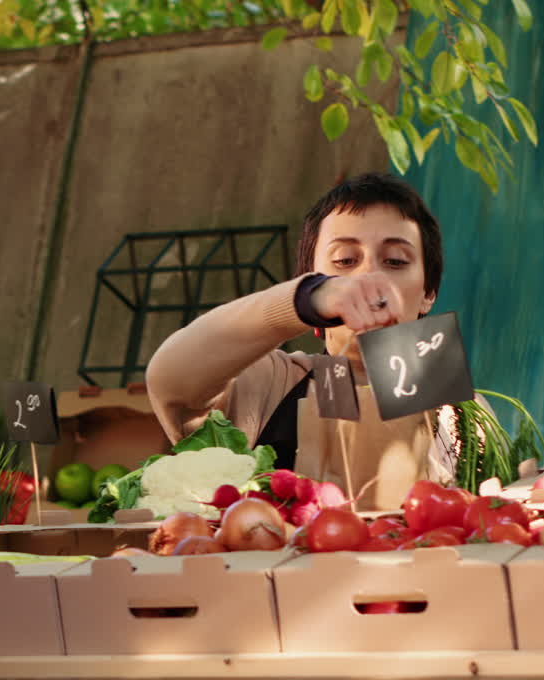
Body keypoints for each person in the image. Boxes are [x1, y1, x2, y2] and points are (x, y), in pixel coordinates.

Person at [145, 173, 461, 510]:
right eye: (344, 261)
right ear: (310, 281)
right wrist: (303, 302)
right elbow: (170, 379)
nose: (370, 277)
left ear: (428, 294)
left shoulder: (459, 413)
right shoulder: (268, 383)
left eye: (396, 261)